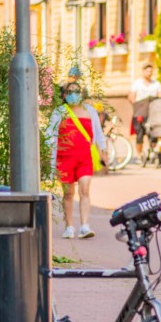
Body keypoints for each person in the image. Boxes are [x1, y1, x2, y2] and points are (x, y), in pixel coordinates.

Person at [46, 77, 108, 239]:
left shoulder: (90, 110)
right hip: (64, 158)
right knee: (68, 194)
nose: (73, 94)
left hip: (84, 157)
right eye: (69, 92)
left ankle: (85, 226)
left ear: (81, 93)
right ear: (64, 95)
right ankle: (69, 226)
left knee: (84, 189)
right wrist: (48, 156)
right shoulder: (60, 112)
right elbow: (50, 136)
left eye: (76, 91)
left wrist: (103, 150)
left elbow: (98, 133)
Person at [128, 62, 161, 161]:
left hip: (152, 112)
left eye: (151, 71)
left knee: (153, 134)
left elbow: (160, 96)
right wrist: (136, 105)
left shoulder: (156, 84)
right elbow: (131, 97)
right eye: (147, 71)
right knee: (140, 134)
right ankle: (139, 155)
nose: (149, 73)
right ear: (143, 71)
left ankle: (152, 152)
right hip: (140, 112)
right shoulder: (137, 83)